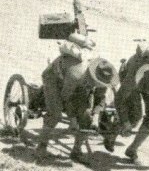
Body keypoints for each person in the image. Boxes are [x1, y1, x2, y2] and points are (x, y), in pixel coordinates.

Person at [36, 33, 119, 163]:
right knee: (56, 113)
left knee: (86, 116)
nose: (100, 86)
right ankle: (41, 146)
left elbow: (100, 98)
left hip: (78, 86)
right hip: (54, 79)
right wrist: (73, 120)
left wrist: (95, 118)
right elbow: (66, 99)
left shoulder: (103, 76)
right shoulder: (77, 73)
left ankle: (76, 151)